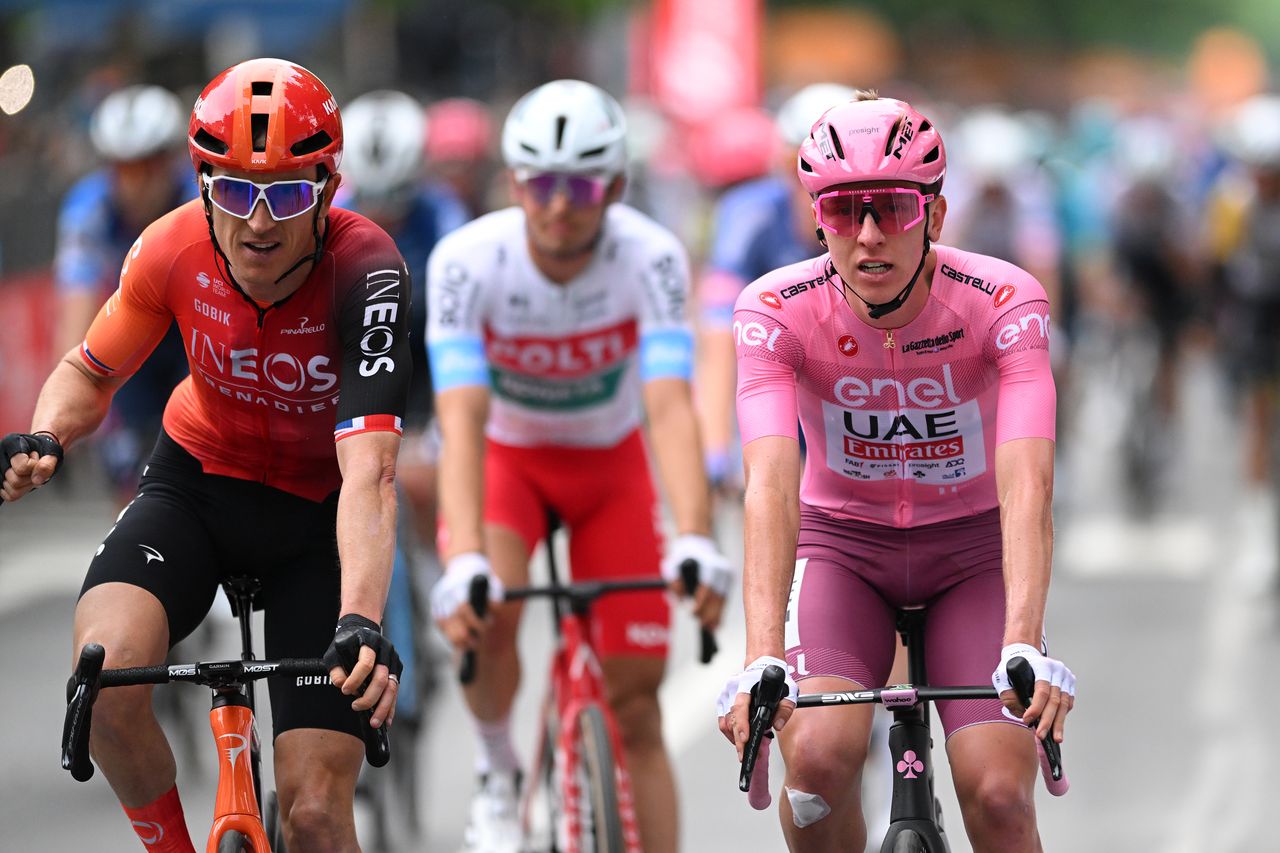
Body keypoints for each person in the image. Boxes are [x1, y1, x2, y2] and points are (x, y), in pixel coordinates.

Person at [2, 58, 410, 853]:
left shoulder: (368, 269)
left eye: (287, 193)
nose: (259, 222)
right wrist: (47, 435)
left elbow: (373, 467)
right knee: (105, 674)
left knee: (318, 815)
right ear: (200, 183)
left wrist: (359, 615)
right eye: (234, 191)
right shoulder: (171, 248)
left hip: (317, 522)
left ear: (328, 188)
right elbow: (89, 370)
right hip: (197, 486)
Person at [716, 92, 1076, 852]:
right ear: (818, 217)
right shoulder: (775, 310)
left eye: (892, 210)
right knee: (813, 770)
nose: (870, 236)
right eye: (845, 212)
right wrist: (759, 655)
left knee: (1000, 794)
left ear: (936, 217)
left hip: (973, 555)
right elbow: (773, 485)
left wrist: (1024, 640)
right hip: (844, 550)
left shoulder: (1003, 300)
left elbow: (1028, 483)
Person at [427, 79, 733, 853]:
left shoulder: (651, 257)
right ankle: (499, 768)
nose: (560, 204)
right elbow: (459, 418)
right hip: (509, 463)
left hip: (610, 469)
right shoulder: (467, 260)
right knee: (487, 611)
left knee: (637, 706)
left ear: (617, 187)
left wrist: (695, 536)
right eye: (540, 183)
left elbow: (669, 405)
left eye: (582, 184)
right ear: (513, 184)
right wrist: (462, 556)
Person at [693, 83, 856, 494]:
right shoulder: (749, 213)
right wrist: (714, 450)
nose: (810, 187)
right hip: (784, 389)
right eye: (796, 169)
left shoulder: (882, 219)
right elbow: (717, 338)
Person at [54, 84, 194, 502]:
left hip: (199, 328)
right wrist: (57, 424)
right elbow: (75, 313)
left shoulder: (201, 199)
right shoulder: (87, 208)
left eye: (148, 166)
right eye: (124, 169)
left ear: (172, 160)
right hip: (135, 329)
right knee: (129, 474)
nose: (137, 184)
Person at [1210, 93, 1280, 588]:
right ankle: (1261, 539)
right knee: (1257, 424)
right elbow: (1215, 267)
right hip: (1256, 324)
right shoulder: (1232, 204)